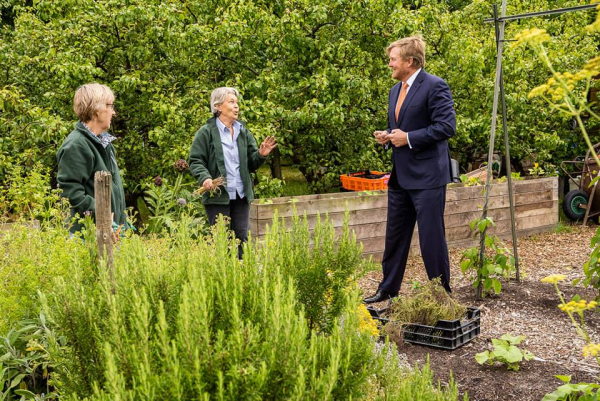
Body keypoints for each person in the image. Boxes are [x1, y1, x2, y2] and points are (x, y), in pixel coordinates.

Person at [364, 36, 456, 304]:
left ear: (409, 61)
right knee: (394, 238)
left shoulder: (435, 86)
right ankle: (388, 290)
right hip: (401, 178)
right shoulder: (395, 90)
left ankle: (442, 296)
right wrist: (389, 135)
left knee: (431, 240)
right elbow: (401, 127)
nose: (389, 64)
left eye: (393, 59)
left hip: (428, 178)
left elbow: (446, 127)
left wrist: (409, 138)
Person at [189, 87, 277, 258]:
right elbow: (195, 160)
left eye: (237, 103)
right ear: (218, 106)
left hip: (241, 194)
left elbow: (251, 164)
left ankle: (241, 277)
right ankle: (223, 278)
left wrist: (260, 155)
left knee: (241, 238)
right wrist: (205, 177)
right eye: (231, 102)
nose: (236, 106)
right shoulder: (206, 132)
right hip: (218, 195)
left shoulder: (242, 131)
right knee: (221, 240)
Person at [57, 83, 127, 236]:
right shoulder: (76, 145)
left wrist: (121, 224)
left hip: (112, 232)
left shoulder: (105, 143)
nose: (113, 112)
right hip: (88, 236)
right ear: (97, 110)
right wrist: (103, 216)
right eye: (110, 106)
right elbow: (70, 191)